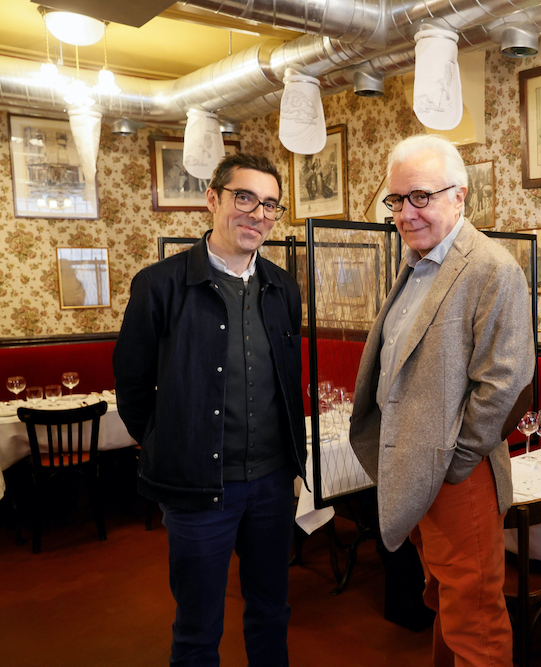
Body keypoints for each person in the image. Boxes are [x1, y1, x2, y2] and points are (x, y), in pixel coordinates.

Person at [113, 153, 306, 667]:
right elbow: (132, 388)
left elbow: (288, 381)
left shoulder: (284, 287)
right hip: (197, 489)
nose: (258, 214)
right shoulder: (159, 285)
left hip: (271, 484)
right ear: (213, 199)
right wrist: (167, 443)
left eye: (270, 205)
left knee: (271, 611)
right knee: (198, 627)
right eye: (245, 198)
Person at [350, 134, 534, 667]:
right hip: (418, 470)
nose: (406, 213)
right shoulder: (417, 262)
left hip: (460, 475)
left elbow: (504, 382)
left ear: (460, 195)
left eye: (421, 197)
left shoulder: (491, 268)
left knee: (475, 618)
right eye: (397, 200)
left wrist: (453, 462)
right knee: (446, 601)